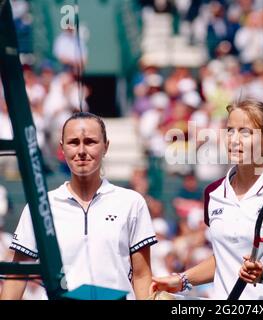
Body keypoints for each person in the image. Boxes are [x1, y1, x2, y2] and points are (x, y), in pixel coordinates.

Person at [150, 99, 263, 299]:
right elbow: (226, 257)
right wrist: (182, 279)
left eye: (245, 132)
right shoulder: (213, 193)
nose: (234, 139)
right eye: (230, 130)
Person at [0, 112, 156, 300]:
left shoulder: (132, 202)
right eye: (74, 142)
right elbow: (18, 275)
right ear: (62, 148)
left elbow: (141, 275)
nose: (81, 150)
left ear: (106, 146)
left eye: (90, 142)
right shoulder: (41, 206)